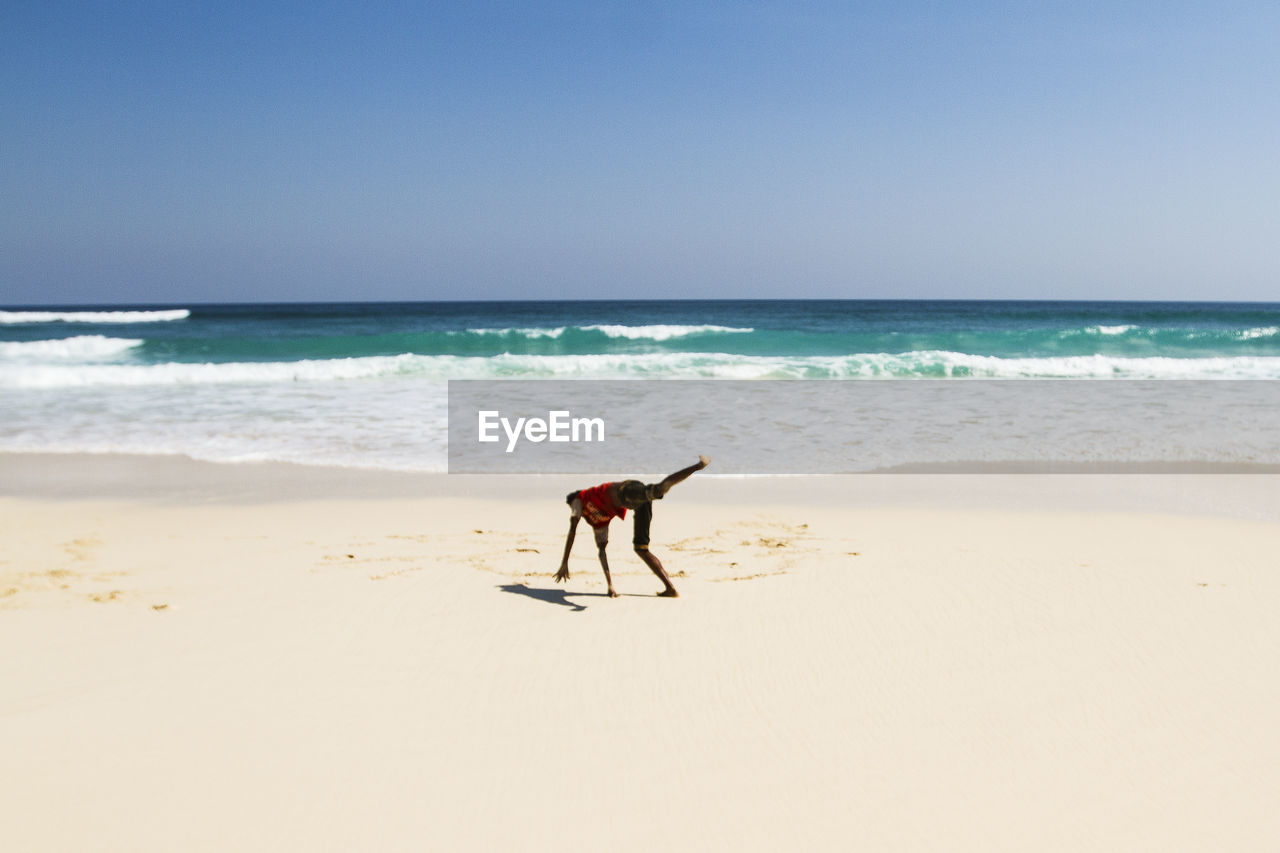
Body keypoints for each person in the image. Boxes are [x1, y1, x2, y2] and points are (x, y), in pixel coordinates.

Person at [556, 456, 709, 598]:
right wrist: (610, 586)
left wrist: (564, 562)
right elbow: (602, 552)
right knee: (641, 549)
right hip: (635, 503)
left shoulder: (579, 499)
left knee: (658, 490)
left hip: (626, 491)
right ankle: (670, 589)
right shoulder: (597, 520)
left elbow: (572, 531)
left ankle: (697, 466)